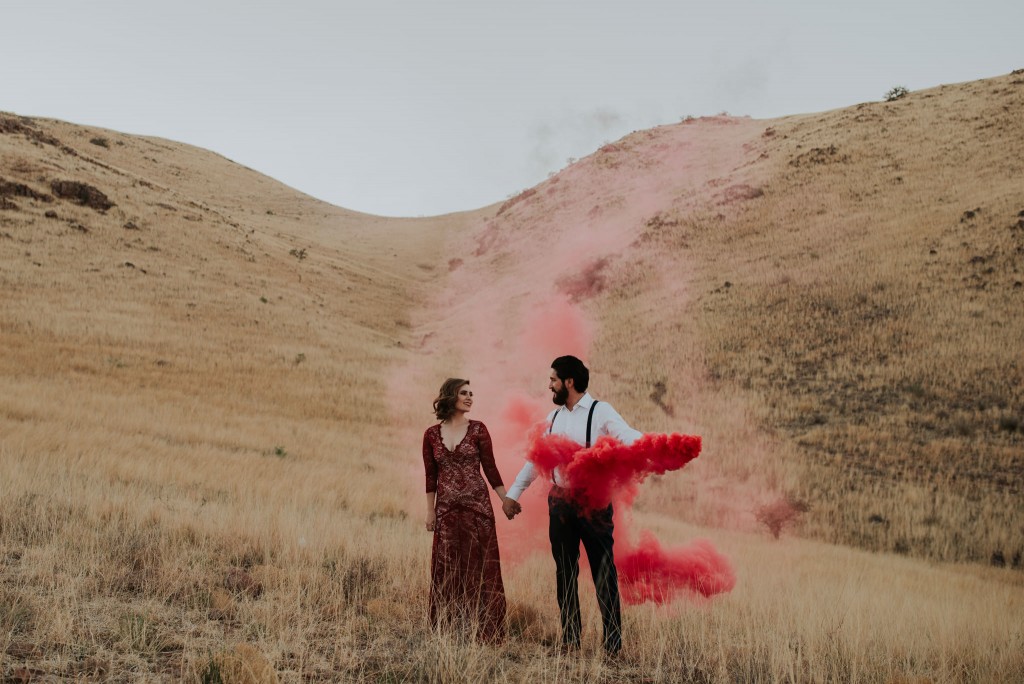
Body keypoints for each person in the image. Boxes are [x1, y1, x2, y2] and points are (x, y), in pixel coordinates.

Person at [503, 356, 642, 656]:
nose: (549, 385)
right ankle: (570, 640)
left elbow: (628, 436)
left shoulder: (600, 411)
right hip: (561, 504)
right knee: (564, 572)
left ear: (568, 382)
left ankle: (613, 646)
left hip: (593, 504)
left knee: (603, 573)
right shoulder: (554, 418)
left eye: (553, 379)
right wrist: (514, 494)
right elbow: (536, 459)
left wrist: (652, 446)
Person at [422, 378, 511, 643]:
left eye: (472, 393)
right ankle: (448, 631)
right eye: (464, 393)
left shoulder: (478, 429)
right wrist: (430, 511)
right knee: (447, 569)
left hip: (477, 509)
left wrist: (506, 500)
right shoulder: (430, 434)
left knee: (480, 569)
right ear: (451, 396)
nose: (470, 397)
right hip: (447, 510)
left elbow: (490, 468)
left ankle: (484, 632)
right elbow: (430, 477)